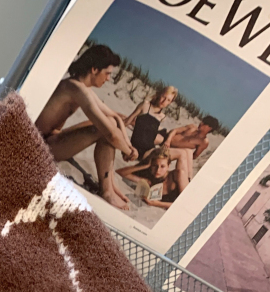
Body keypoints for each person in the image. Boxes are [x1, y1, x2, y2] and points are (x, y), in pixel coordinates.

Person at [35, 44, 138, 210]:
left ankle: (111, 186)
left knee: (109, 123)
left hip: (52, 137)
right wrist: (128, 151)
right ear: (94, 69)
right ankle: (107, 192)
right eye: (107, 73)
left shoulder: (81, 87)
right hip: (40, 147)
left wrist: (129, 145)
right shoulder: (76, 89)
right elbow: (111, 134)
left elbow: (115, 117)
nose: (108, 79)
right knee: (104, 130)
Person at [116, 145, 188, 209]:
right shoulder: (149, 180)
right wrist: (144, 166)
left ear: (168, 166)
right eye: (155, 166)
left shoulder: (178, 175)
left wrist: (158, 204)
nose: (158, 170)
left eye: (162, 166)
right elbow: (120, 172)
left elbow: (186, 204)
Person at [125, 85, 178, 162]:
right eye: (164, 97)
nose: (164, 101)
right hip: (134, 146)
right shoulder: (145, 105)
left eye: (168, 100)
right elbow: (127, 122)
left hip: (148, 150)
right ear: (159, 94)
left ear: (170, 103)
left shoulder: (162, 117)